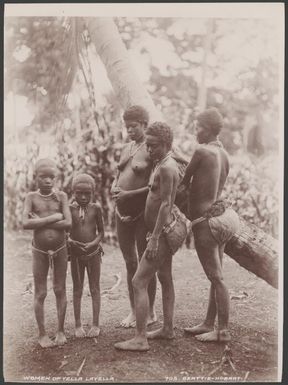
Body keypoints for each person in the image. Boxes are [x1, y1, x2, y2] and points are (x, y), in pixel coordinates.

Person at [114, 122, 187, 351]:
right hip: (159, 230)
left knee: (138, 281)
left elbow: (166, 204)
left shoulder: (167, 168)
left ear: (166, 145)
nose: (149, 150)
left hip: (162, 233)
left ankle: (140, 338)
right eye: (148, 145)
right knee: (165, 277)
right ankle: (167, 329)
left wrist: (154, 237)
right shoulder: (162, 163)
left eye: (153, 145)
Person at [180, 107, 240, 342]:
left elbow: (183, 185)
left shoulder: (201, 151)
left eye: (198, 128)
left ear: (208, 129)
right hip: (224, 219)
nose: (196, 132)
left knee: (216, 277)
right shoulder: (224, 154)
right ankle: (208, 323)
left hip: (206, 222)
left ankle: (222, 331)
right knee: (217, 275)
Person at [111, 105, 157, 328]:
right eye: (127, 127)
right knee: (130, 262)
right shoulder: (126, 147)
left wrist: (128, 193)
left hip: (141, 213)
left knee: (145, 263)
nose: (129, 130)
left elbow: (154, 186)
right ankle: (133, 310)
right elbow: (119, 173)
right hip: (121, 213)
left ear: (144, 125)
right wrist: (114, 187)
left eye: (134, 126)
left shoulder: (151, 149)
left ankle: (150, 312)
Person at [22, 158, 72, 348]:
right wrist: (54, 217)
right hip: (39, 250)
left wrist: (40, 220)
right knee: (40, 292)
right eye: (43, 177)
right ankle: (42, 334)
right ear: (35, 178)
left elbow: (68, 223)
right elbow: (25, 223)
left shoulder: (62, 197)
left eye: (52, 177)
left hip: (60, 249)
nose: (48, 181)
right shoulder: (31, 197)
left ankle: (60, 331)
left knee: (60, 289)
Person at [68, 173, 104, 338]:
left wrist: (93, 243)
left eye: (87, 193)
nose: (83, 197)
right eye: (79, 193)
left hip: (93, 253)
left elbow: (101, 232)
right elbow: (65, 232)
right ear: (73, 191)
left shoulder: (96, 209)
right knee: (77, 289)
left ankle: (96, 324)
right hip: (75, 255)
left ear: (93, 192)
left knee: (95, 287)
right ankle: (78, 325)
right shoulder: (69, 209)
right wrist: (71, 242)